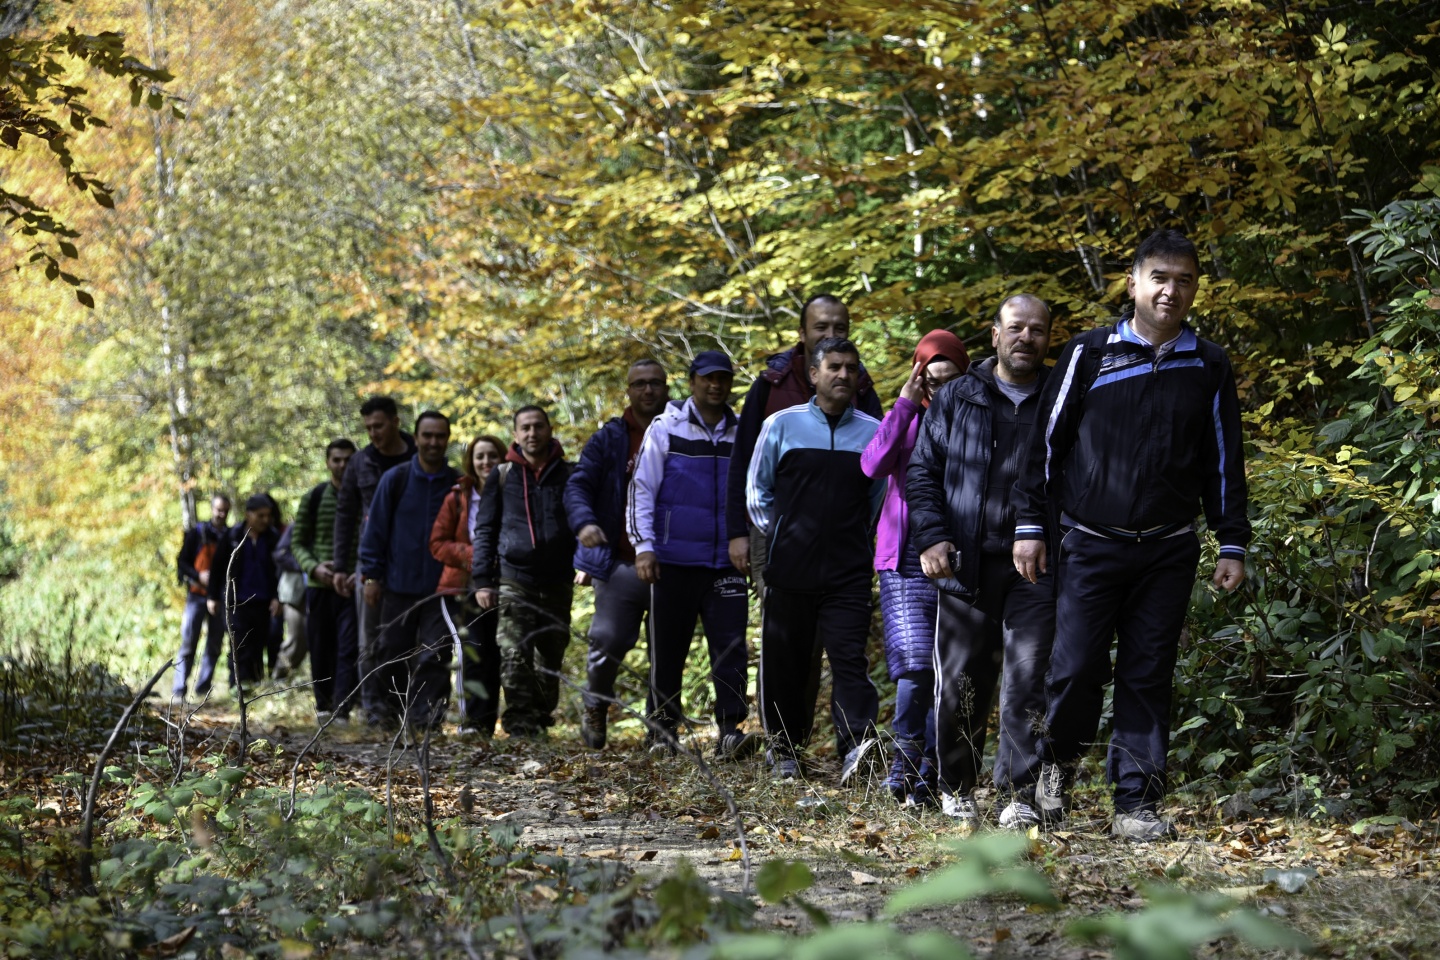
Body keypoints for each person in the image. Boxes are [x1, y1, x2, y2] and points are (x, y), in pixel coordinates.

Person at [1013, 229, 1250, 842]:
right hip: (1090, 541)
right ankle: (1052, 776)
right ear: (1134, 283)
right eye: (1160, 278)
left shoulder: (1209, 363)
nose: (1171, 291)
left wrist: (1231, 540)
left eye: (1184, 280)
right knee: (1075, 670)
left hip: (1168, 548)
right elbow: (1043, 445)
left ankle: (1134, 804)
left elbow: (1224, 458)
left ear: (1196, 288)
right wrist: (1031, 526)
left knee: (1148, 674)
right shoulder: (1088, 355)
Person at [907, 296, 1055, 825]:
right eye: (1016, 328)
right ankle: (957, 787)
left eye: (1037, 330)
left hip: (1037, 565)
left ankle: (1020, 797)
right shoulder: (958, 397)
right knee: (963, 681)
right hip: (965, 563)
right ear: (994, 335)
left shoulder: (1061, 396)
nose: (1026, 338)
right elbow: (922, 472)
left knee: (1028, 678)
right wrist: (930, 538)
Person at [746, 338, 885, 782]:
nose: (843, 375)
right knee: (786, 660)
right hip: (791, 567)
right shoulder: (780, 425)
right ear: (814, 374)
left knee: (849, 660)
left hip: (847, 570)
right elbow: (757, 490)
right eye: (834, 367)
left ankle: (857, 748)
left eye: (850, 368)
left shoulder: (871, 430)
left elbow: (877, 498)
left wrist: (857, 540)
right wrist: (782, 533)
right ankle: (784, 749)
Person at [627, 350, 755, 759]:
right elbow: (641, 488)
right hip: (673, 560)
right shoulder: (667, 427)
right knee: (667, 651)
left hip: (726, 562)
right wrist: (644, 546)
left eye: (722, 378)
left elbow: (755, 491)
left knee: (732, 649)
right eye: (707, 378)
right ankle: (662, 732)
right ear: (692, 381)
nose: (715, 385)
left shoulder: (744, 432)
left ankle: (731, 731)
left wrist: (748, 538)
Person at [860, 329, 969, 806]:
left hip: (959, 553)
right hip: (904, 558)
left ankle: (929, 774)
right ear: (918, 381)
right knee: (915, 668)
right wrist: (904, 405)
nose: (939, 392)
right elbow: (872, 464)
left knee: (951, 671)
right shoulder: (904, 419)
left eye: (949, 382)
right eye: (931, 382)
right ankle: (902, 771)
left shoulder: (976, 420)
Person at [725, 295, 883, 592]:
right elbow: (743, 458)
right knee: (784, 623)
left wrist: (867, 531)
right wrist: (737, 532)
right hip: (773, 530)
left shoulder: (858, 385)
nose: (830, 335)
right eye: (821, 327)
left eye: (840, 328)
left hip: (843, 536)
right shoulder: (771, 384)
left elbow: (879, 463)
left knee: (836, 622)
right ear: (802, 332)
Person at [566, 360, 670, 749]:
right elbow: (578, 485)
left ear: (666, 387)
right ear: (628, 390)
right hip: (621, 561)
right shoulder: (609, 439)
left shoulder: (683, 428)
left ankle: (660, 728)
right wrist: (584, 525)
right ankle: (595, 702)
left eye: (655, 383)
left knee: (666, 649)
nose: (648, 391)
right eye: (639, 384)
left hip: (672, 561)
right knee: (607, 639)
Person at [472, 406, 577, 738]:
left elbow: (582, 521)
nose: (532, 433)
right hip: (514, 578)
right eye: (525, 428)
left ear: (549, 429)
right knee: (514, 652)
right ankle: (519, 723)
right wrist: (482, 581)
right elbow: (485, 530)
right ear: (515, 434)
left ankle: (541, 715)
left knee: (551, 653)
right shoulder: (502, 476)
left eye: (538, 427)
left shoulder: (570, 473)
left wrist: (587, 564)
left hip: (559, 579)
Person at [358, 411, 461, 729]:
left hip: (441, 589)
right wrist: (372, 576)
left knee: (435, 655)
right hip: (397, 585)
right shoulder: (396, 479)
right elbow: (375, 530)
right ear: (415, 439)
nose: (433, 442)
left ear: (447, 439)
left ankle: (426, 721)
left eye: (439, 436)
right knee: (391, 652)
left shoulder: (458, 483)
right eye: (427, 436)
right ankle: (388, 715)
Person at [332, 396, 417, 727]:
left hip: (413, 560)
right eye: (367, 428)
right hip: (371, 562)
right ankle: (373, 708)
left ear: (395, 421)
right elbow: (346, 513)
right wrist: (341, 566)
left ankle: (406, 706)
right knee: (370, 638)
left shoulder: (417, 454)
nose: (373, 433)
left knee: (408, 636)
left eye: (378, 426)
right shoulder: (360, 462)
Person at [430, 434, 506, 737]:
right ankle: (470, 723)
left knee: (496, 656)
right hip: (461, 589)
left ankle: (487, 724)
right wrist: (477, 556)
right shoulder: (457, 497)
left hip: (501, 587)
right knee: (470, 651)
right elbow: (437, 543)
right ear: (471, 462)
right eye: (480, 456)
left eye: (492, 456)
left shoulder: (512, 491)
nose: (486, 462)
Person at [290, 438, 358, 723]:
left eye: (347, 460)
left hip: (353, 587)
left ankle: (343, 709)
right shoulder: (314, 497)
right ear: (328, 462)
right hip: (319, 588)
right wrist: (315, 568)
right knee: (320, 647)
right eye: (337, 460)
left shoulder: (365, 496)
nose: (342, 465)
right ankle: (323, 706)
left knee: (349, 647)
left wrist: (361, 571)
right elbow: (297, 542)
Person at [209, 495, 281, 685]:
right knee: (239, 644)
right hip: (237, 602)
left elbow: (278, 571)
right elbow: (217, 567)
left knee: (259, 644)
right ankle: (237, 686)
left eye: (268, 516)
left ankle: (255, 686)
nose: (265, 520)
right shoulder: (233, 536)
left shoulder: (272, 538)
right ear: (248, 515)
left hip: (263, 601)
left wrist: (276, 597)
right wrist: (212, 597)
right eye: (260, 515)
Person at [174, 494, 231, 700]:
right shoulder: (197, 533)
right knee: (188, 643)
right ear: (212, 509)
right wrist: (199, 576)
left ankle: (202, 689)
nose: (221, 514)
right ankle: (179, 689)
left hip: (219, 598)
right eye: (218, 509)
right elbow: (182, 563)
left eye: (225, 510)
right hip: (196, 597)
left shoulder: (230, 536)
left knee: (214, 645)